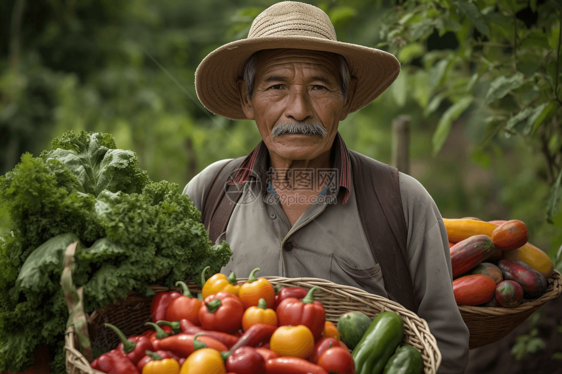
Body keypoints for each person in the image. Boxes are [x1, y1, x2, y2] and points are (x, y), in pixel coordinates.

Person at [184, 2, 469, 373]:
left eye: (318, 87)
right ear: (246, 99)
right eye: (276, 86)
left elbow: (443, 341)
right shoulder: (209, 193)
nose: (299, 109)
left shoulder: (402, 202)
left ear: (346, 98)